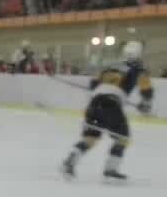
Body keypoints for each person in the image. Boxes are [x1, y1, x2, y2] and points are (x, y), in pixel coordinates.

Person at [61, 40, 152, 182]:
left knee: (90, 138)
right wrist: (145, 105)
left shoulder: (110, 66)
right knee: (123, 138)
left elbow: (93, 84)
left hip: (94, 104)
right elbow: (147, 91)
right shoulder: (138, 69)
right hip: (111, 105)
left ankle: (71, 160)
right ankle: (110, 169)